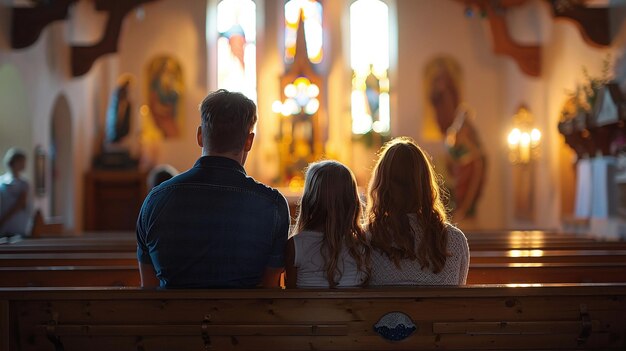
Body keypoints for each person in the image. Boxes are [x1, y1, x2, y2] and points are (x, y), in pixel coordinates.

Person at [136, 89, 290, 288]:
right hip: (245, 318)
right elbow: (270, 291)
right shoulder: (273, 206)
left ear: (200, 135)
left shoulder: (155, 201)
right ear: (248, 141)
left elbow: (148, 291)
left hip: (175, 319)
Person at [366, 137, 469, 285]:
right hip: (437, 309)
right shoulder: (455, 240)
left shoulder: (365, 241)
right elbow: (460, 303)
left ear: (382, 187)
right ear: (425, 185)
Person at [285, 160, 370, 288]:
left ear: (309, 200)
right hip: (352, 308)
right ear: (352, 202)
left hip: (309, 309)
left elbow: (290, 298)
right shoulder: (362, 246)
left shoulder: (295, 246)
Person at [0, 148, 31, 236]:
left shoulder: (24, 184)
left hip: (18, 226)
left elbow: (20, 204)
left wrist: (3, 220)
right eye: (21, 161)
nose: (24, 164)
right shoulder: (1, 182)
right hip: (3, 227)